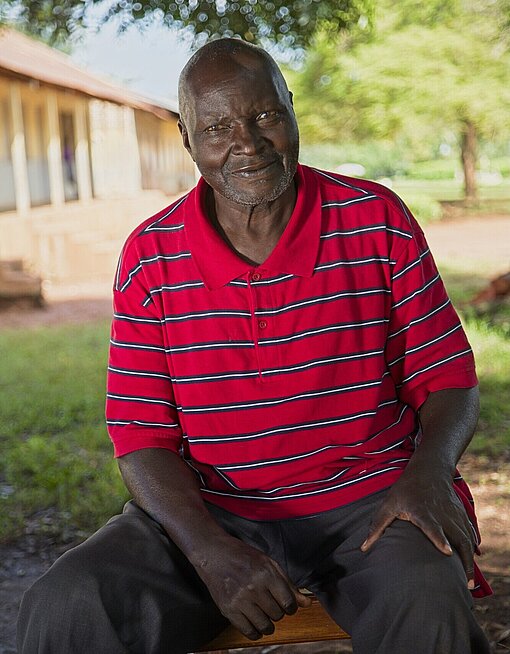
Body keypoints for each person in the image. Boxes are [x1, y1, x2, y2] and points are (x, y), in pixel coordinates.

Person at [18, 38, 492, 654]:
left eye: (265, 115)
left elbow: (448, 379)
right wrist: (209, 551)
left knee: (429, 608)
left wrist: (427, 477)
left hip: (370, 502)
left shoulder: (377, 220)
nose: (247, 142)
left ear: (291, 110)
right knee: (66, 605)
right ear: (188, 142)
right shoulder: (151, 257)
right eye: (217, 127)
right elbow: (141, 438)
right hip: (216, 511)